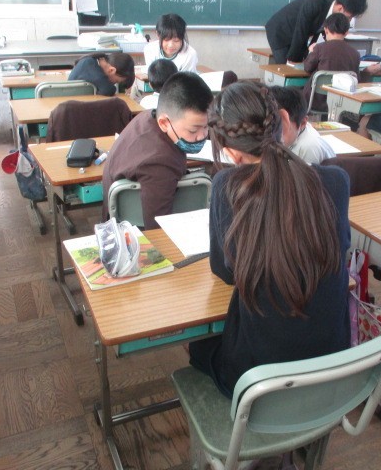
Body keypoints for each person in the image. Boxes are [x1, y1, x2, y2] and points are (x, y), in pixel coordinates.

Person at [188, 81, 351, 397]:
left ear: (231, 152)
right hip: (334, 368)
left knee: (199, 346)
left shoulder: (226, 186)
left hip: (260, 383)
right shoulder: (336, 180)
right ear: (284, 122)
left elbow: (225, 273)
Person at [102, 72, 213, 229]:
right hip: (135, 231)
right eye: (193, 130)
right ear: (164, 123)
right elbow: (157, 227)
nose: (202, 136)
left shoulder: (148, 116)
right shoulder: (160, 162)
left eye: (207, 126)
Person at [265, 0, 368, 64]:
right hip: (280, 32)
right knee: (285, 68)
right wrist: (294, 59)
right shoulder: (315, 4)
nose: (349, 21)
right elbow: (301, 32)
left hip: (298, 34)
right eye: (349, 17)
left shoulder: (333, 13)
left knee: (302, 66)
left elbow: (321, 34)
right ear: (340, 8)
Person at [302, 13, 360, 113]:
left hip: (316, 100)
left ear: (326, 30)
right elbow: (356, 77)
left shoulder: (319, 48)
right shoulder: (355, 53)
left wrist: (311, 52)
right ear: (346, 32)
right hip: (341, 103)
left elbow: (307, 68)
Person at [269, 86, 336, 164]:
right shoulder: (293, 136)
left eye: (280, 127)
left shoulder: (309, 148)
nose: (272, 132)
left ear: (303, 123)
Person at [68, 52, 135, 96]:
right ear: (111, 70)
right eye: (116, 81)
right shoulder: (90, 66)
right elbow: (108, 90)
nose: (114, 84)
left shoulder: (94, 61)